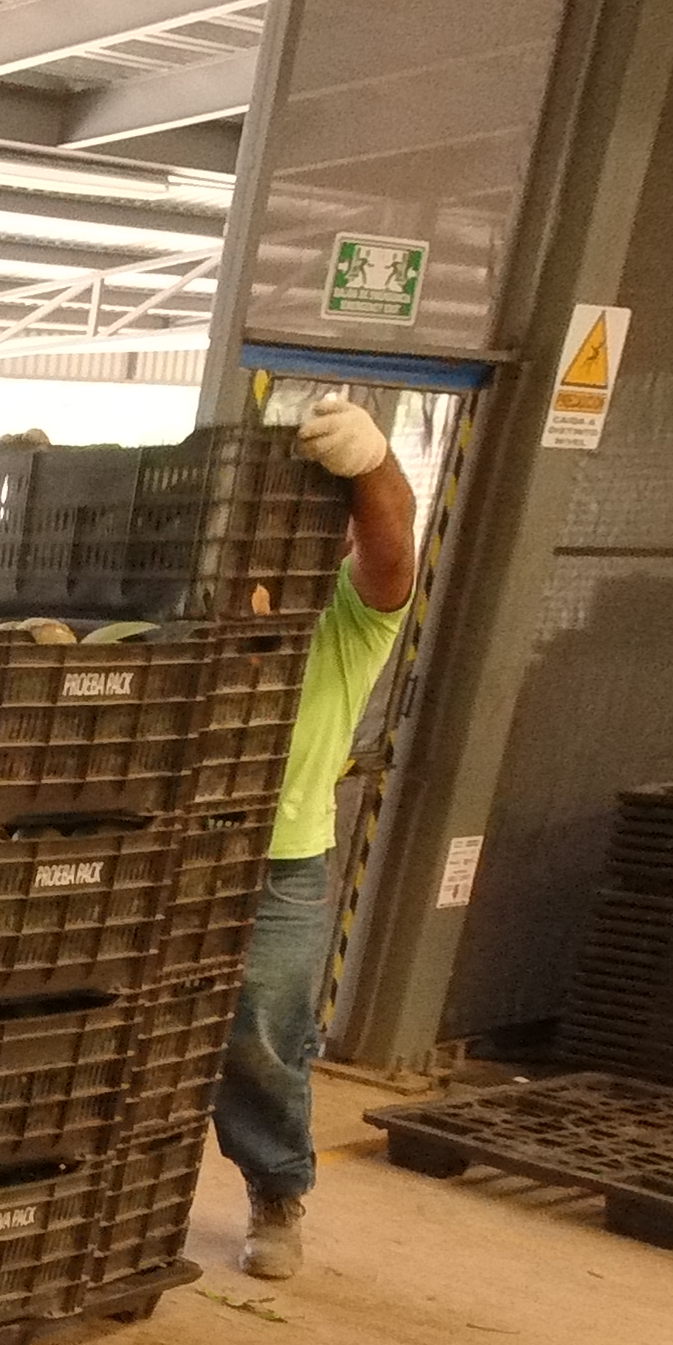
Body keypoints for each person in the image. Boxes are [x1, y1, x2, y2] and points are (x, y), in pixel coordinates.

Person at [219, 393, 419, 1281]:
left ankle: (277, 1189)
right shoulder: (197, 607)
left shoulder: (348, 615)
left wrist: (373, 468)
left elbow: (393, 550)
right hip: (164, 851)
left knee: (262, 1038)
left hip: (279, 859)